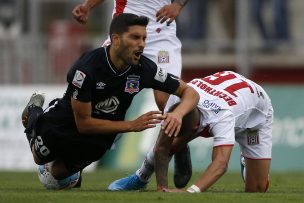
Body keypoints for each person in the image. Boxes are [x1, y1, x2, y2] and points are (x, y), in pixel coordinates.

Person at [21, 13, 199, 189]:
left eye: (144, 38)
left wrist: (178, 114)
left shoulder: (144, 69)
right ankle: (34, 112)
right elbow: (83, 123)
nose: (142, 44)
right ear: (115, 39)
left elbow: (189, 92)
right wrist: (131, 125)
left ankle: (70, 175)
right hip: (65, 123)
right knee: (40, 157)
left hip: (100, 137)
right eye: (135, 37)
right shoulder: (86, 69)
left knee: (56, 175)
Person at [72, 0, 193, 188]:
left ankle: (180, 145)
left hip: (162, 36)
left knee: (167, 103)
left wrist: (177, 5)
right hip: (125, 36)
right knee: (94, 101)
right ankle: (74, 165)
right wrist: (88, 6)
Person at [112, 71, 273, 193]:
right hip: (224, 94)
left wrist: (190, 192)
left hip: (254, 119)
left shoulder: (222, 116)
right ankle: (141, 177)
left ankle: (247, 160)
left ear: (196, 131)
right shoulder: (178, 99)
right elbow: (162, 147)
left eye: (183, 137)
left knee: (257, 189)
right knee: (170, 145)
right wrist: (163, 188)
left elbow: (220, 164)